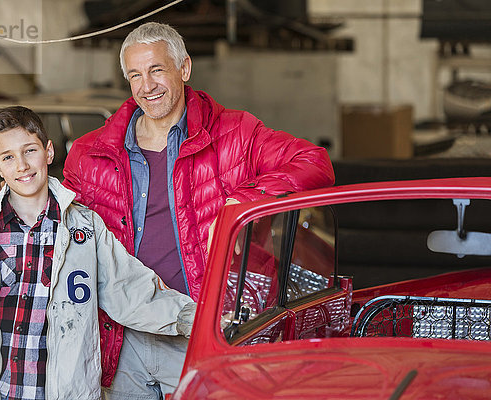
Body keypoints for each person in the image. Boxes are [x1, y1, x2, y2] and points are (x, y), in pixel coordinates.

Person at [61, 22, 336, 399]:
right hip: (123, 337)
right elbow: (61, 218)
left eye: (157, 70)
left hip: (203, 329)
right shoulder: (90, 153)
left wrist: (244, 200)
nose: (147, 86)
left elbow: (314, 162)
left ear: (184, 69)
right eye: (135, 75)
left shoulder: (236, 133)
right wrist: (12, 197)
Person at [0, 106, 196, 400]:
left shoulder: (84, 228)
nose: (22, 165)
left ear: (48, 152)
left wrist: (191, 317)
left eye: (30, 151)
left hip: (64, 392)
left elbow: (127, 287)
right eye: (8, 157)